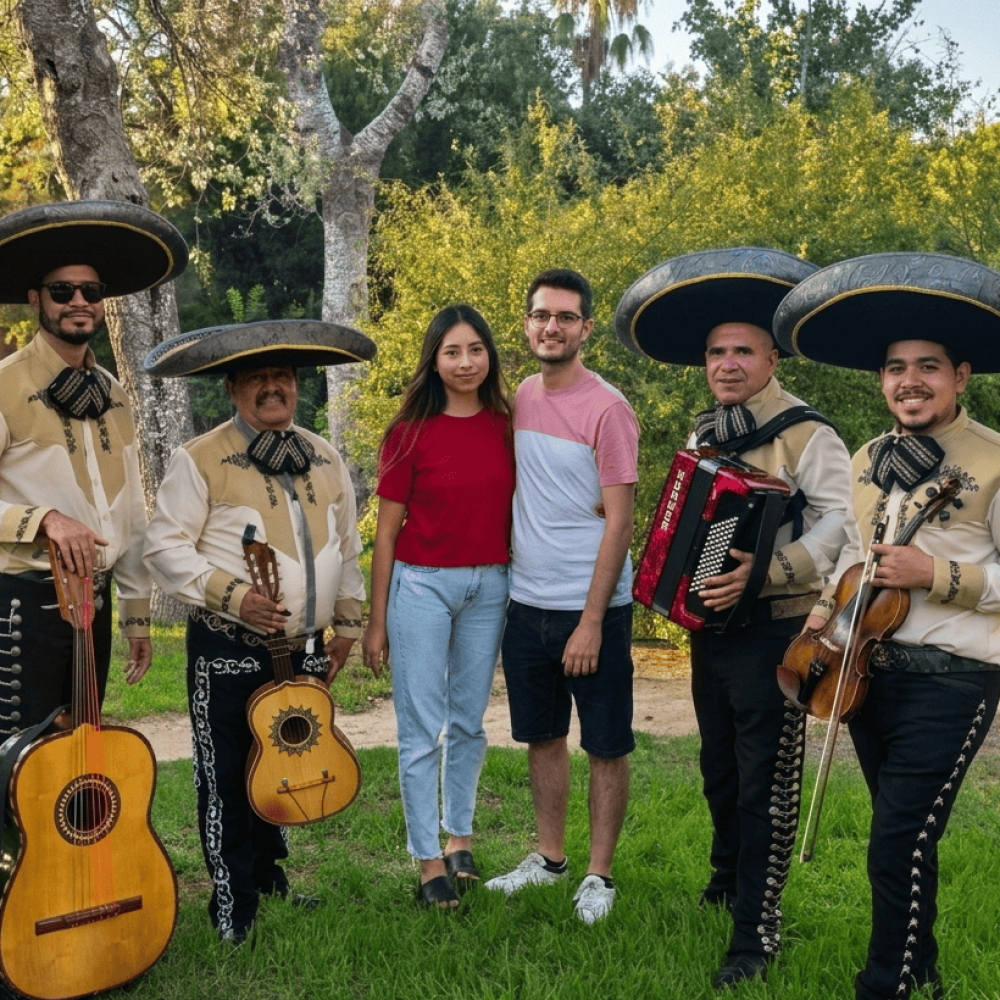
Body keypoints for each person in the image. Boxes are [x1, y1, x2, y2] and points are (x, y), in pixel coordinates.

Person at [614, 248, 855, 988]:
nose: (726, 363)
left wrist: (769, 571)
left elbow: (841, 529)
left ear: (771, 356)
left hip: (778, 632)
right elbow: (689, 519)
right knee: (718, 769)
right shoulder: (705, 432)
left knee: (766, 787)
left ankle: (756, 933)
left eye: (742, 350)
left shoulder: (809, 435)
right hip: (710, 636)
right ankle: (726, 882)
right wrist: (671, 577)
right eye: (717, 352)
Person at [774, 252, 1000, 1000]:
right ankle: (923, 970)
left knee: (895, 841)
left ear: (961, 376)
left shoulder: (995, 461)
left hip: (955, 682)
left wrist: (933, 576)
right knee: (909, 840)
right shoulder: (870, 459)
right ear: (881, 380)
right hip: (866, 674)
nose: (911, 380)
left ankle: (886, 987)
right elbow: (846, 560)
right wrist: (816, 628)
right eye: (897, 368)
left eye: (929, 367)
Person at [142, 319, 375, 944]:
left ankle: (269, 877)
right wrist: (236, 597)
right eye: (256, 378)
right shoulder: (199, 459)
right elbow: (163, 548)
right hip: (227, 646)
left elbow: (347, 549)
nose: (272, 388)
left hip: (303, 648)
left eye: (283, 377)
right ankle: (231, 904)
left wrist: (346, 629)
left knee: (281, 757)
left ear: (296, 386)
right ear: (233, 388)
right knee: (225, 778)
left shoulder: (324, 454)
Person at [484, 268, 639, 926]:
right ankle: (550, 859)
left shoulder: (609, 409)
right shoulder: (519, 395)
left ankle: (599, 875)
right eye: (542, 315)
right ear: (527, 323)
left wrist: (592, 622)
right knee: (542, 739)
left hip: (591, 609)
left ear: (585, 329)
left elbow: (621, 521)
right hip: (527, 605)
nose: (552, 326)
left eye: (566, 317)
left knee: (605, 744)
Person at [0, 200, 187, 743]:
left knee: (82, 755)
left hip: (93, 607)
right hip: (20, 606)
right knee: (18, 769)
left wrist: (135, 614)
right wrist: (46, 520)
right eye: (63, 291)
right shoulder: (5, 384)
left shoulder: (115, 394)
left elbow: (127, 512)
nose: (79, 301)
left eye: (91, 292)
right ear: (36, 300)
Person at [361, 305, 515, 910]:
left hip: (490, 586)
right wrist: (377, 622)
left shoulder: (507, 425)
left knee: (470, 722)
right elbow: (387, 534)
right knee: (422, 730)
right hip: (421, 586)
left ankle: (460, 839)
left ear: (489, 357)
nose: (466, 362)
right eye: (452, 351)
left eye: (476, 349)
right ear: (434, 359)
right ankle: (428, 861)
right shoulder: (408, 432)